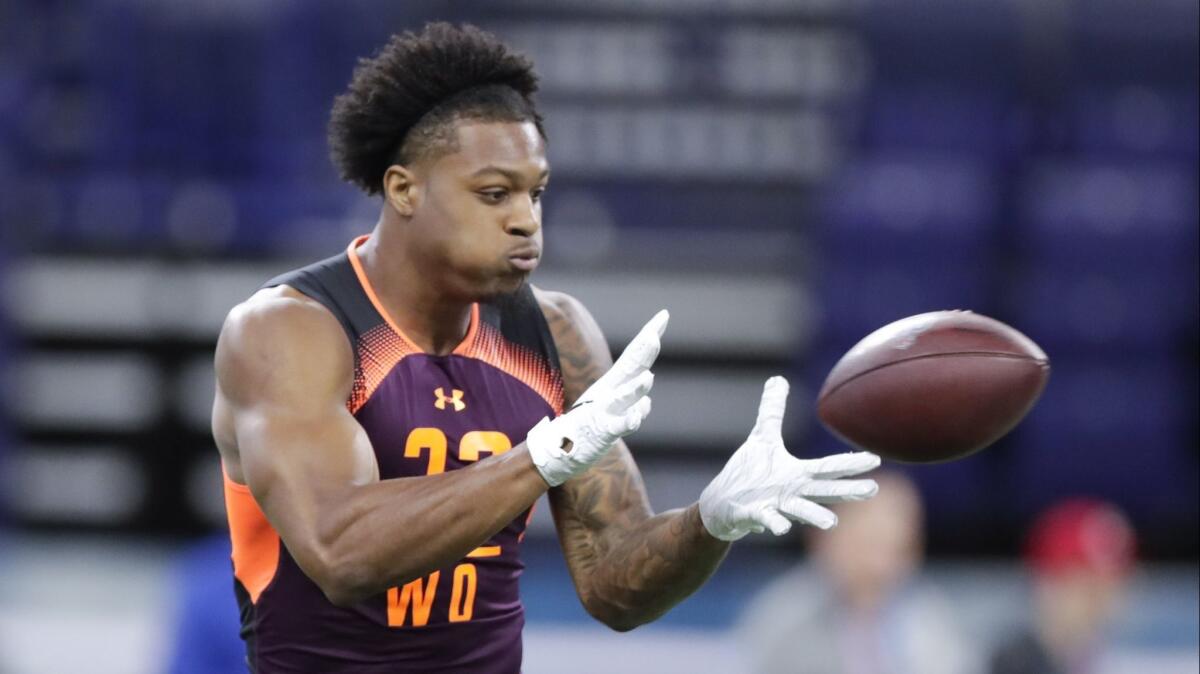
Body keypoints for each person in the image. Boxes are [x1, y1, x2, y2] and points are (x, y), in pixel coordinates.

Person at [211, 22, 880, 673]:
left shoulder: (553, 334)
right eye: (494, 193)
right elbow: (340, 554)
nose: (525, 218)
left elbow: (615, 587)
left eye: (536, 193)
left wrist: (709, 523)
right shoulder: (289, 331)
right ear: (403, 189)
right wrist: (541, 456)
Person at [739, 471, 979, 674]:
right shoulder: (783, 618)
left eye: (895, 547)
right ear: (824, 537)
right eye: (868, 542)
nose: (879, 565)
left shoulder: (934, 624)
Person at [989, 498, 1137, 674]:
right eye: (1089, 590)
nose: (1102, 607)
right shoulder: (1012, 664)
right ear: (1046, 584)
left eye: (1111, 589)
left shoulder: (1106, 660)